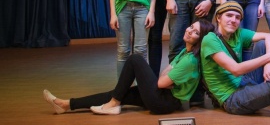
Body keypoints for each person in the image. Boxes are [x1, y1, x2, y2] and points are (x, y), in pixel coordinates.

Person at [43, 20, 214, 115]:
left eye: (196, 32)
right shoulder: (185, 51)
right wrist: (168, 78)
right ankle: (66, 104)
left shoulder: (190, 60)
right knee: (118, 93)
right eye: (191, 27)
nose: (189, 31)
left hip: (164, 103)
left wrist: (167, 79)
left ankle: (113, 103)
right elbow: (164, 73)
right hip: (163, 96)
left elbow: (161, 82)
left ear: (201, 39)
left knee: (135, 59)